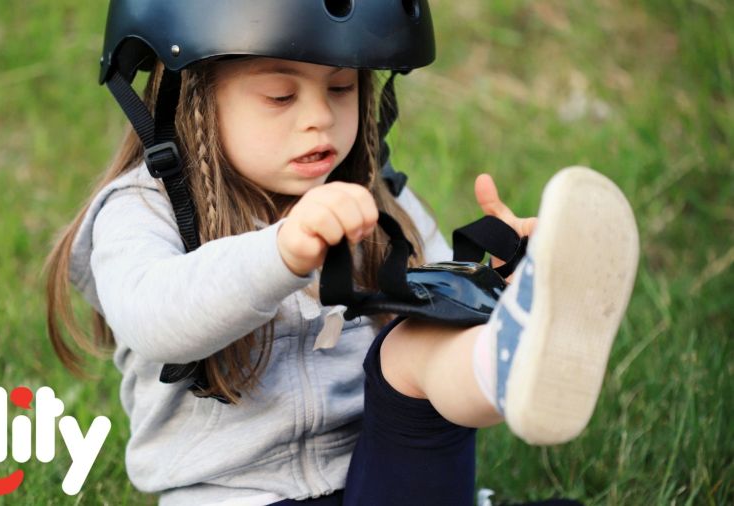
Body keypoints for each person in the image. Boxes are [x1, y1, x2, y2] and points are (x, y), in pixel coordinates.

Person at [44, 2, 639, 505]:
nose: (320, 118)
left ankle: (512, 346)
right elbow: (155, 320)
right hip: (240, 496)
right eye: (280, 95)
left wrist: (495, 284)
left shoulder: (374, 200)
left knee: (418, 343)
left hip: (381, 478)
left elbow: (433, 306)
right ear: (189, 98)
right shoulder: (140, 212)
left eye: (340, 86)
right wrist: (279, 253)